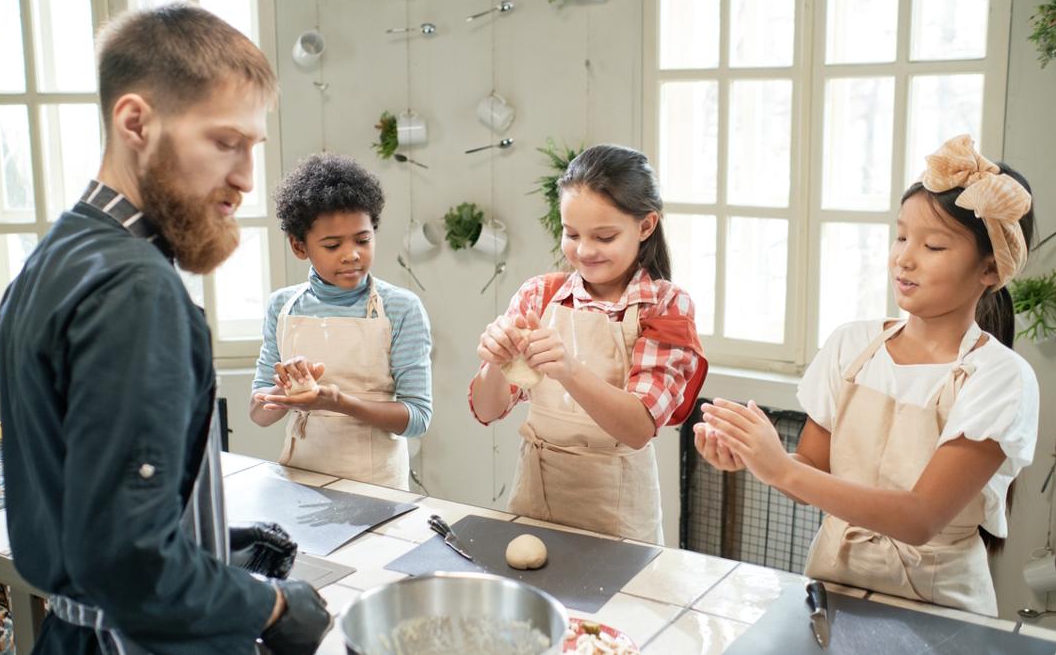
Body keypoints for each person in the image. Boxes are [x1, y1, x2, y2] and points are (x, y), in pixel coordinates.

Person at [0, 4, 330, 653]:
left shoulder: (52, 259)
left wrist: (212, 545)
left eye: (252, 148)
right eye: (224, 142)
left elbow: (91, 517)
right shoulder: (137, 291)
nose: (245, 180)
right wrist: (272, 603)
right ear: (135, 122)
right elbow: (131, 564)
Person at [696, 134, 1039, 615]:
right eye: (901, 236)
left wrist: (782, 468)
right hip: (832, 590)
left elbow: (920, 518)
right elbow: (812, 470)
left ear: (989, 269)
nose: (905, 257)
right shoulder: (851, 346)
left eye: (934, 245)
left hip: (939, 610)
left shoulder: (1000, 378)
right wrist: (754, 458)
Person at [468, 144, 708, 543]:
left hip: (618, 517)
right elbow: (487, 409)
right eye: (571, 233)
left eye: (604, 236)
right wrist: (497, 361)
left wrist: (569, 370)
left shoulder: (665, 305)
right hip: (534, 501)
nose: (584, 251)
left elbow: (637, 428)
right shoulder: (540, 295)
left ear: (646, 226)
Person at [249, 153, 433, 490]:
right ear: (299, 246)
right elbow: (259, 414)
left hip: (376, 487)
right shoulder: (283, 306)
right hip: (299, 479)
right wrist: (287, 387)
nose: (352, 254)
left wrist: (337, 402)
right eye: (333, 245)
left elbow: (417, 418)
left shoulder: (400, 308)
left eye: (363, 240)